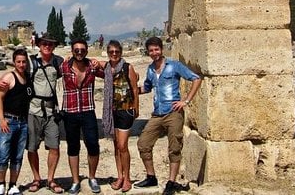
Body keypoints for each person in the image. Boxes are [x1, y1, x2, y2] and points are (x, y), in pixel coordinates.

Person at [134, 36, 202, 195]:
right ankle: (151, 177)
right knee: (143, 144)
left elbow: (196, 79)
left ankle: (171, 182)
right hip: (157, 114)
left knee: (174, 148)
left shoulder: (174, 65)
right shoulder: (150, 69)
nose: (154, 53)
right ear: (148, 52)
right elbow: (147, 88)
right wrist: (132, 89)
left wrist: (186, 101)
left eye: (156, 49)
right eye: (151, 50)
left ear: (161, 49)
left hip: (173, 112)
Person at [0, 33, 64, 193]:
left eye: (50, 44)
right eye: (44, 44)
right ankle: (36, 178)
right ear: (39, 45)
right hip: (33, 110)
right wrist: (0, 79)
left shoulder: (59, 62)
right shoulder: (31, 62)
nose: (47, 46)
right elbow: (17, 70)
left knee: (54, 147)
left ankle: (50, 179)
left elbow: (75, 68)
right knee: (32, 147)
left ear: (54, 46)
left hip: (51, 111)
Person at [61, 39, 105, 194]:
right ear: (72, 51)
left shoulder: (92, 67)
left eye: (82, 50)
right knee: (73, 147)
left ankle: (92, 178)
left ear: (87, 51)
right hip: (70, 112)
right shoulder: (64, 66)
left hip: (88, 111)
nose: (79, 53)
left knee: (93, 145)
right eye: (76, 50)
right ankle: (75, 181)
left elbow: (110, 73)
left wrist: (100, 62)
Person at [100, 40, 139, 193]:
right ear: (108, 53)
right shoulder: (107, 67)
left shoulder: (127, 67)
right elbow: (93, 62)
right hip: (112, 111)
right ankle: (119, 176)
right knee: (116, 146)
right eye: (111, 52)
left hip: (125, 110)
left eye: (117, 51)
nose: (114, 54)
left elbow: (135, 89)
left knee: (123, 146)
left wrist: (136, 107)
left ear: (121, 52)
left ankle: (127, 177)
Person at [0, 48, 32, 195]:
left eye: (24, 61)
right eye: (18, 62)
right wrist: (2, 119)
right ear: (14, 62)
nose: (21, 64)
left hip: (23, 122)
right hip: (9, 122)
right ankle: (0, 184)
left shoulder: (28, 78)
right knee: (3, 155)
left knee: (17, 156)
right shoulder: (9, 77)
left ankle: (13, 185)